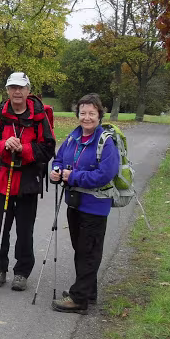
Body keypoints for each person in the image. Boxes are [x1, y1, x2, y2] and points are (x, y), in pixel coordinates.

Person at [0, 72, 55, 290]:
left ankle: (22, 272)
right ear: (7, 90)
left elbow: (48, 148)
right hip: (4, 178)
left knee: (25, 229)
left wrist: (24, 149)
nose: (17, 92)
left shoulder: (39, 116)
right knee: (1, 227)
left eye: (21, 88)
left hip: (28, 179)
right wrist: (4, 144)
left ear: (28, 90)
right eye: (13, 87)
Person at [50, 94, 119, 314]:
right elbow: (59, 158)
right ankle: (88, 291)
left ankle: (79, 299)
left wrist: (73, 176)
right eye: (83, 113)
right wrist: (56, 171)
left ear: (99, 115)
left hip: (95, 205)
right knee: (81, 249)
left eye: (91, 113)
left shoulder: (106, 141)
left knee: (89, 252)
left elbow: (105, 174)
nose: (86, 117)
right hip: (75, 203)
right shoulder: (73, 137)